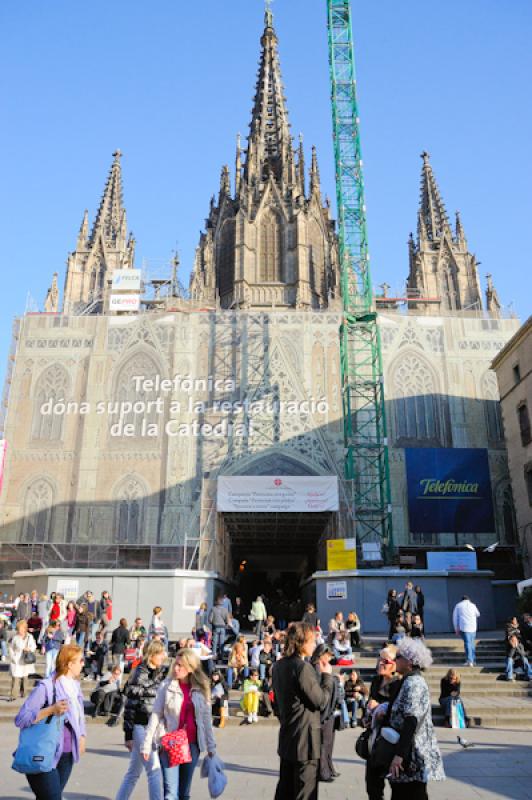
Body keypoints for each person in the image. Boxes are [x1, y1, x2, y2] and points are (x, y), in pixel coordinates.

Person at [141, 647, 217, 799]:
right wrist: (146, 744)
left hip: (192, 745)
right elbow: (156, 714)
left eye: (180, 665)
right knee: (170, 792)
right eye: (175, 664)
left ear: (190, 668)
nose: (176, 668)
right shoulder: (167, 685)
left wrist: (211, 746)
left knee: (184, 793)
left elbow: (206, 720)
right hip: (170, 743)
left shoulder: (201, 688)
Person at [15, 643, 87, 800]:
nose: (84, 663)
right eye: (81, 660)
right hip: (44, 752)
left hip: (67, 754)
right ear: (69, 664)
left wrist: (81, 736)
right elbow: (21, 719)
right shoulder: (47, 686)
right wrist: (50, 710)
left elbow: (80, 715)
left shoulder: (75, 687)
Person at [272, 621, 334, 800]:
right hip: (305, 740)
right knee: (305, 793)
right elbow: (320, 701)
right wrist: (327, 677)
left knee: (285, 791)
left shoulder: (279, 665)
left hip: (288, 735)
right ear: (301, 642)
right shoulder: (302, 667)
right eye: (312, 641)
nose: (315, 645)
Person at [387, 638, 445, 799]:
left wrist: (399, 755)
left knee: (412, 793)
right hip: (408, 751)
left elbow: (411, 721)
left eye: (398, 656)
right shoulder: (406, 680)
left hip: (412, 755)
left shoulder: (414, 683)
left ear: (410, 662)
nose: (394, 660)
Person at [116, 640, 168, 800]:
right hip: (141, 725)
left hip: (151, 725)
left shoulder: (159, 672)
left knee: (133, 772)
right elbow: (130, 706)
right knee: (154, 771)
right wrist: (128, 735)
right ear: (151, 655)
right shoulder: (139, 673)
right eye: (160, 653)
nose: (163, 656)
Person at [363, 645, 402, 800]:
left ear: (394, 664)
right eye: (379, 659)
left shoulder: (398, 684)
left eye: (385, 660)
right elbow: (369, 704)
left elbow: (398, 713)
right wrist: (366, 717)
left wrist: (380, 711)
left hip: (391, 742)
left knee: (396, 787)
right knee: (372, 786)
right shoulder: (376, 681)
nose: (380, 663)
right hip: (374, 740)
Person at [310, 643, 339, 784]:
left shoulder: (325, 666)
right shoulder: (316, 668)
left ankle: (329, 768)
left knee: (329, 742)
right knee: (324, 743)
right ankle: (323, 772)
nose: (329, 658)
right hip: (323, 713)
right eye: (327, 655)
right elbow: (321, 690)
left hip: (330, 711)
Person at [9, 619, 37, 700]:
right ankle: (13, 695)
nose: (20, 631)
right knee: (16, 677)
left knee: (25, 678)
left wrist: (29, 649)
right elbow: (11, 648)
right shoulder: (15, 638)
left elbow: (34, 646)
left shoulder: (30, 636)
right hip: (17, 660)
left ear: (25, 628)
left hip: (26, 660)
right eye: (19, 629)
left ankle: (24, 693)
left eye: (21, 629)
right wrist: (13, 657)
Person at [452, 595, 480, 666]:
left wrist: (456, 628)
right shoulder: (473, 605)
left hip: (464, 627)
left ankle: (469, 660)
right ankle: (473, 660)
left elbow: (455, 618)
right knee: (472, 643)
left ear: (462, 600)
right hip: (473, 627)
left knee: (467, 643)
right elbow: (478, 614)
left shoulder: (458, 605)